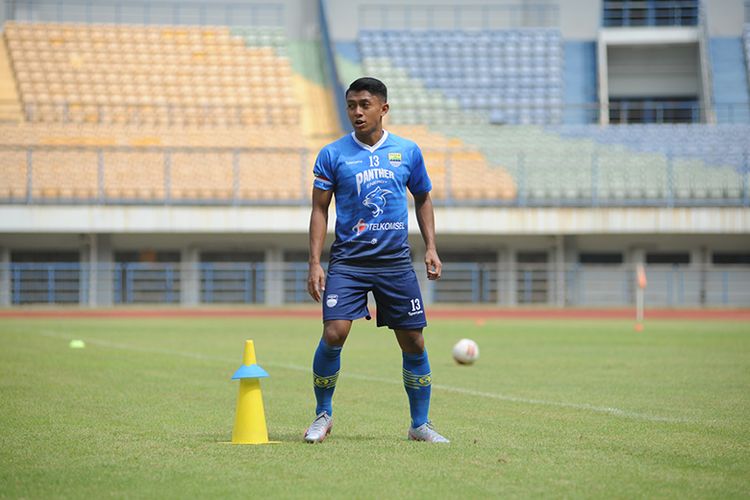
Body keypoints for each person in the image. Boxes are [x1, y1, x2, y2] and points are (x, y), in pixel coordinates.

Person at [304, 77, 449, 444]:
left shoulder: (408, 151)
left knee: (413, 341)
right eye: (351, 104)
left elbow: (423, 198)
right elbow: (319, 210)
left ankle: (420, 424)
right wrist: (314, 263)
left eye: (364, 104)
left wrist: (431, 247)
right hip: (349, 262)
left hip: (395, 262)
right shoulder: (332, 154)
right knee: (334, 332)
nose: (356, 112)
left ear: (383, 108)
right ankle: (323, 414)